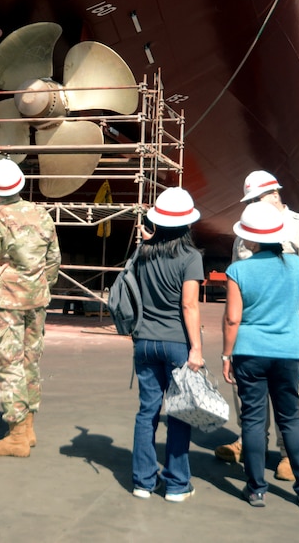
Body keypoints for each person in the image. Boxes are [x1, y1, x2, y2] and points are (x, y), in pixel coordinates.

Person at [216, 170, 299, 481]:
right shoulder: (244, 232)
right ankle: (249, 441)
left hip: (289, 326)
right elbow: (239, 279)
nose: (251, 205)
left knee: (286, 398)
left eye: (255, 199)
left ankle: (286, 455)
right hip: (250, 331)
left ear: (275, 194)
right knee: (248, 395)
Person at [0, 159, 60, 458]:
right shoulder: (42, 215)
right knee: (29, 361)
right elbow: (53, 260)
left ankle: (16, 436)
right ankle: (29, 428)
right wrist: (39, 283)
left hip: (7, 301)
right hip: (37, 299)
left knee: (7, 362)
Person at [129, 187, 205, 503]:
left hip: (144, 341)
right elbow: (189, 305)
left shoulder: (141, 254)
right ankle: (176, 484)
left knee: (147, 411)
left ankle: (143, 483)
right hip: (176, 344)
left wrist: (146, 237)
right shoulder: (191, 257)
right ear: (187, 224)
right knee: (179, 413)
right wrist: (196, 349)